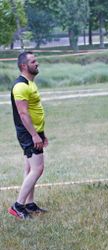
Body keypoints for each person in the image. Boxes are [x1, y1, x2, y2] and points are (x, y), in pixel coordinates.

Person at [8, 51, 48, 219]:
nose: (37, 63)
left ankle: (29, 204)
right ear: (24, 65)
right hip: (27, 133)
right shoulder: (20, 86)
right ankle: (17, 206)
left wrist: (41, 134)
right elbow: (23, 114)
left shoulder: (30, 83)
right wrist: (34, 135)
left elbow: (33, 111)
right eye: (33, 61)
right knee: (38, 169)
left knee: (30, 168)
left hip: (35, 132)